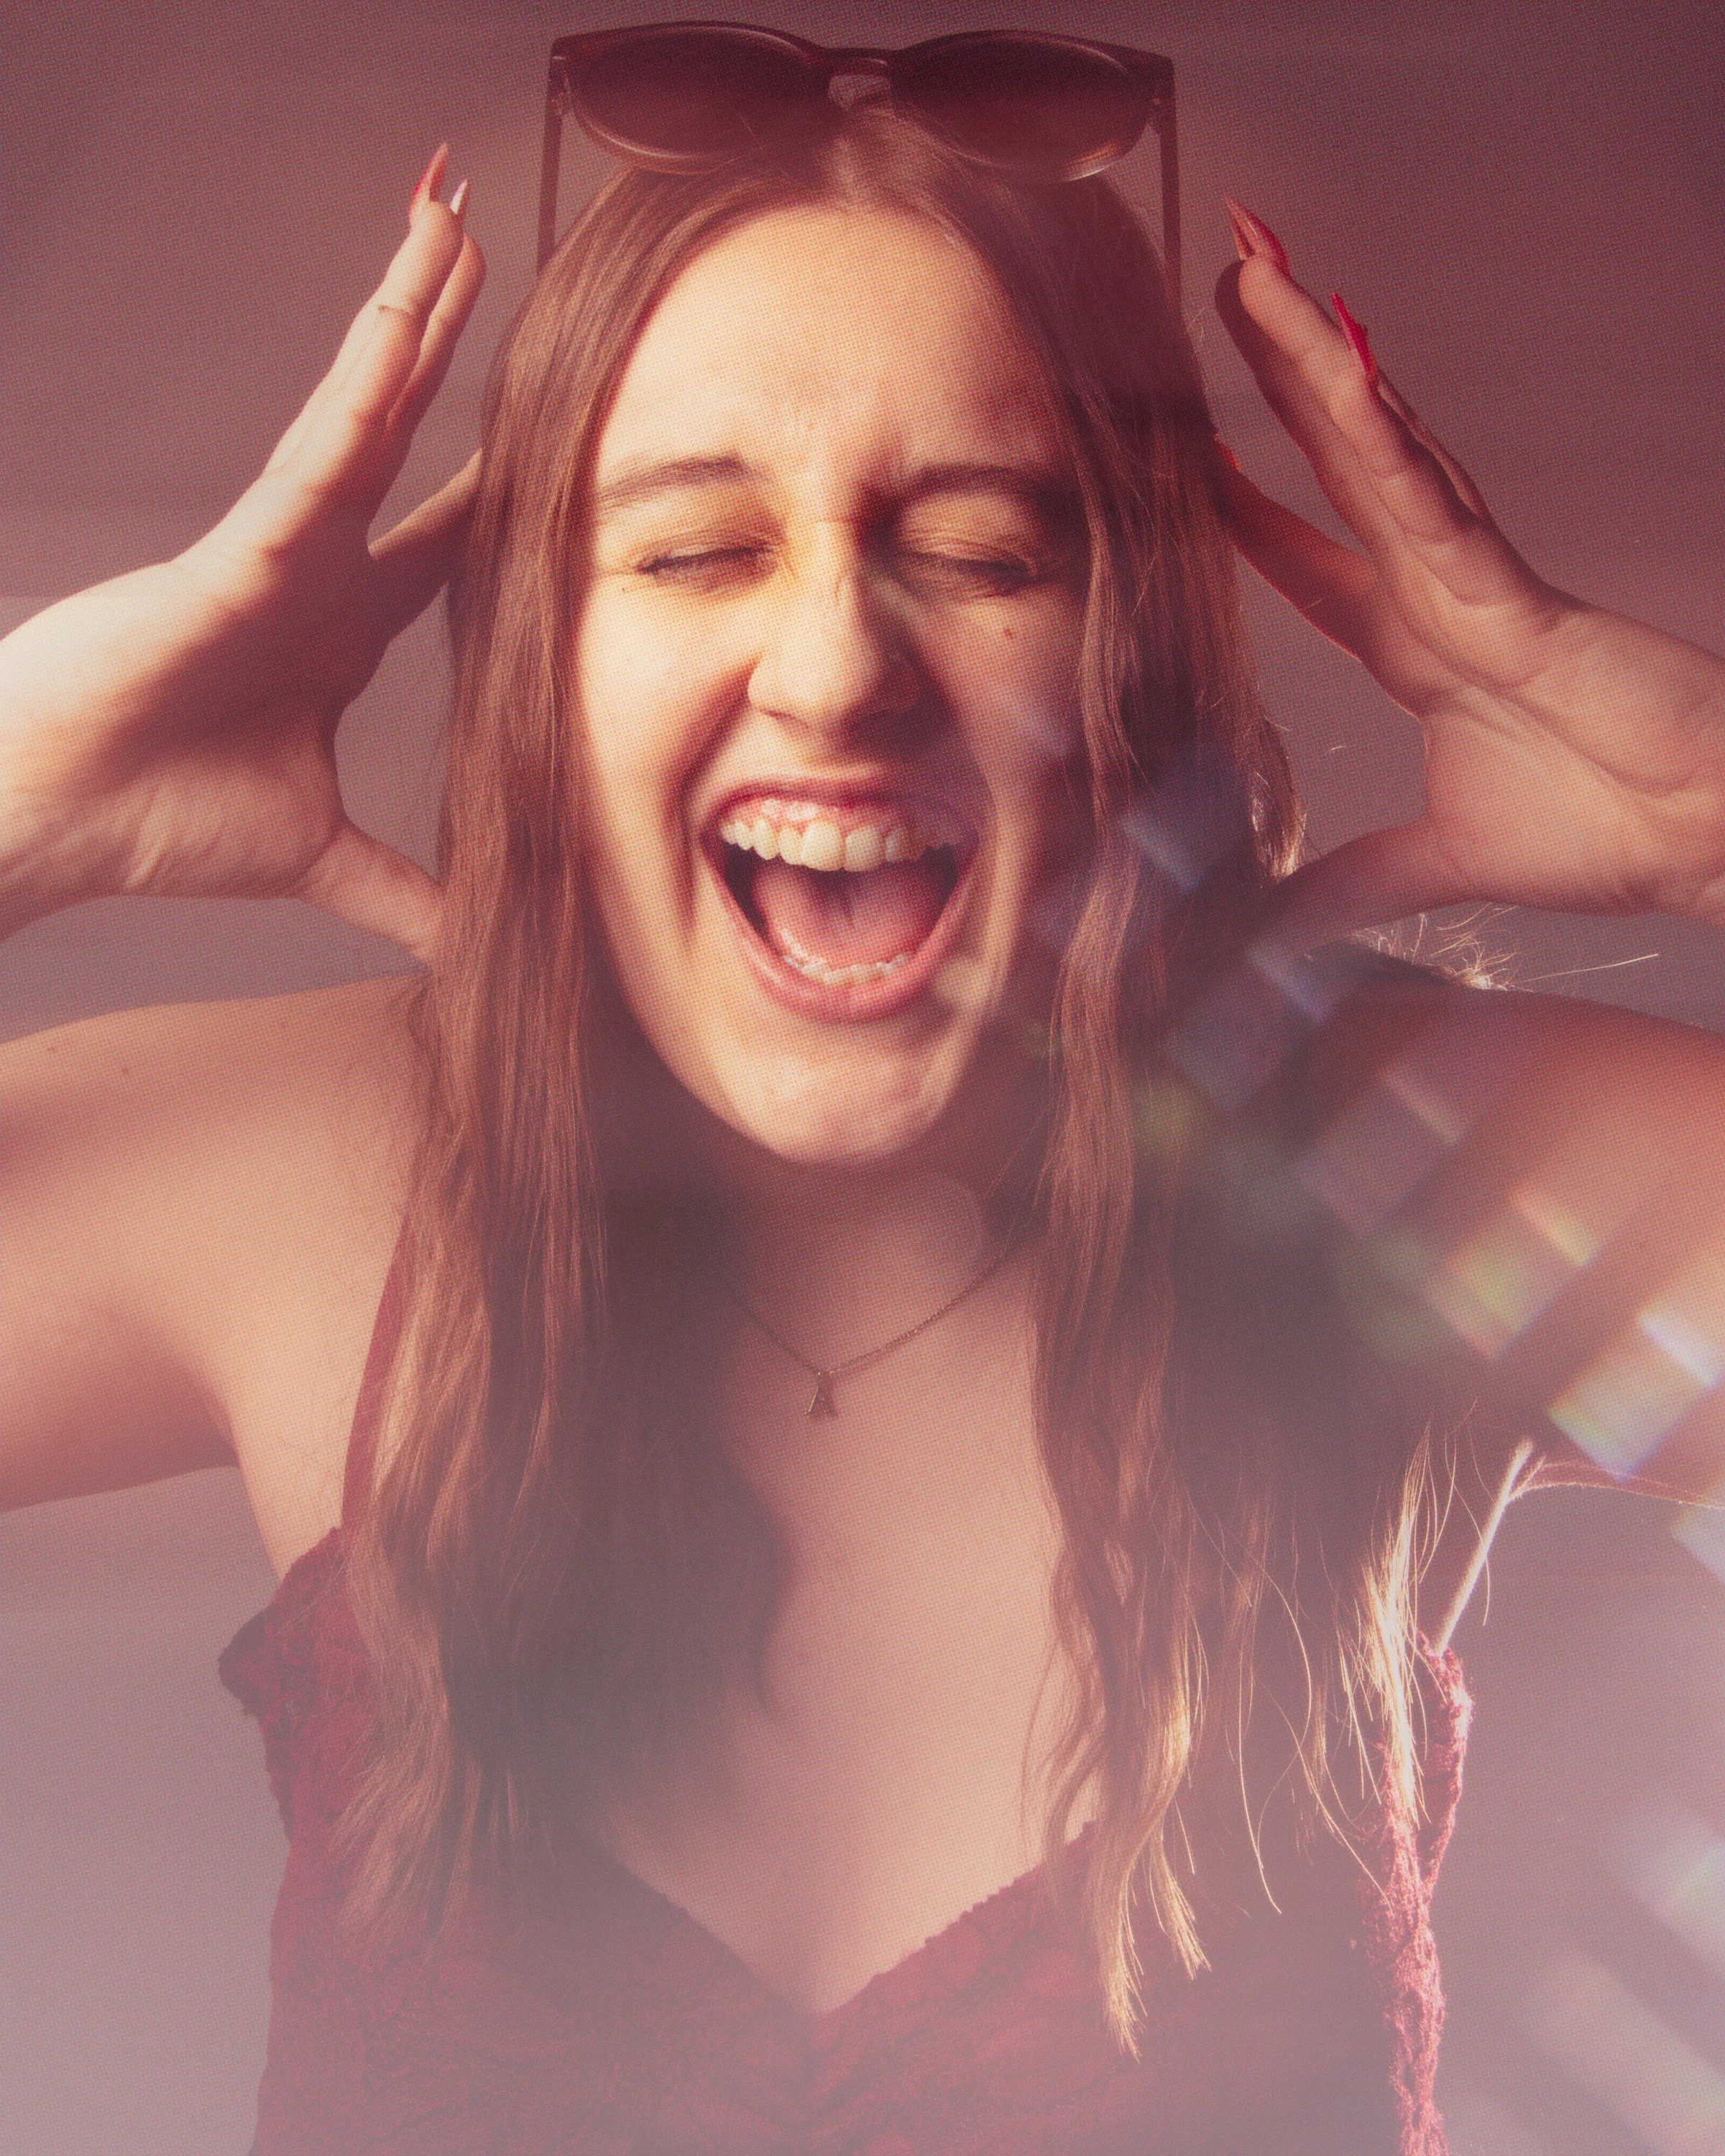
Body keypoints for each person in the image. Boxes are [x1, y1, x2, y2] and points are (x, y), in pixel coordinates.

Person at [3, 26, 1723, 2155]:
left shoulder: (1413, 1174)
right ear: (540, 667)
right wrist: (18, 799)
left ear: (1145, 653)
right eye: (694, 550)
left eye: (992, 553)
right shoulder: (287, 1178)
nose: (833, 668)